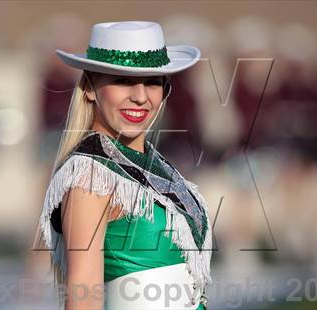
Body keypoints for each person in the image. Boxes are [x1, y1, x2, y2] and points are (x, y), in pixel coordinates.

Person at [39, 21, 212, 309]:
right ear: (91, 88)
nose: (141, 96)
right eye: (122, 80)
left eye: (153, 82)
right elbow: (84, 299)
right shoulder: (91, 176)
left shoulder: (155, 164)